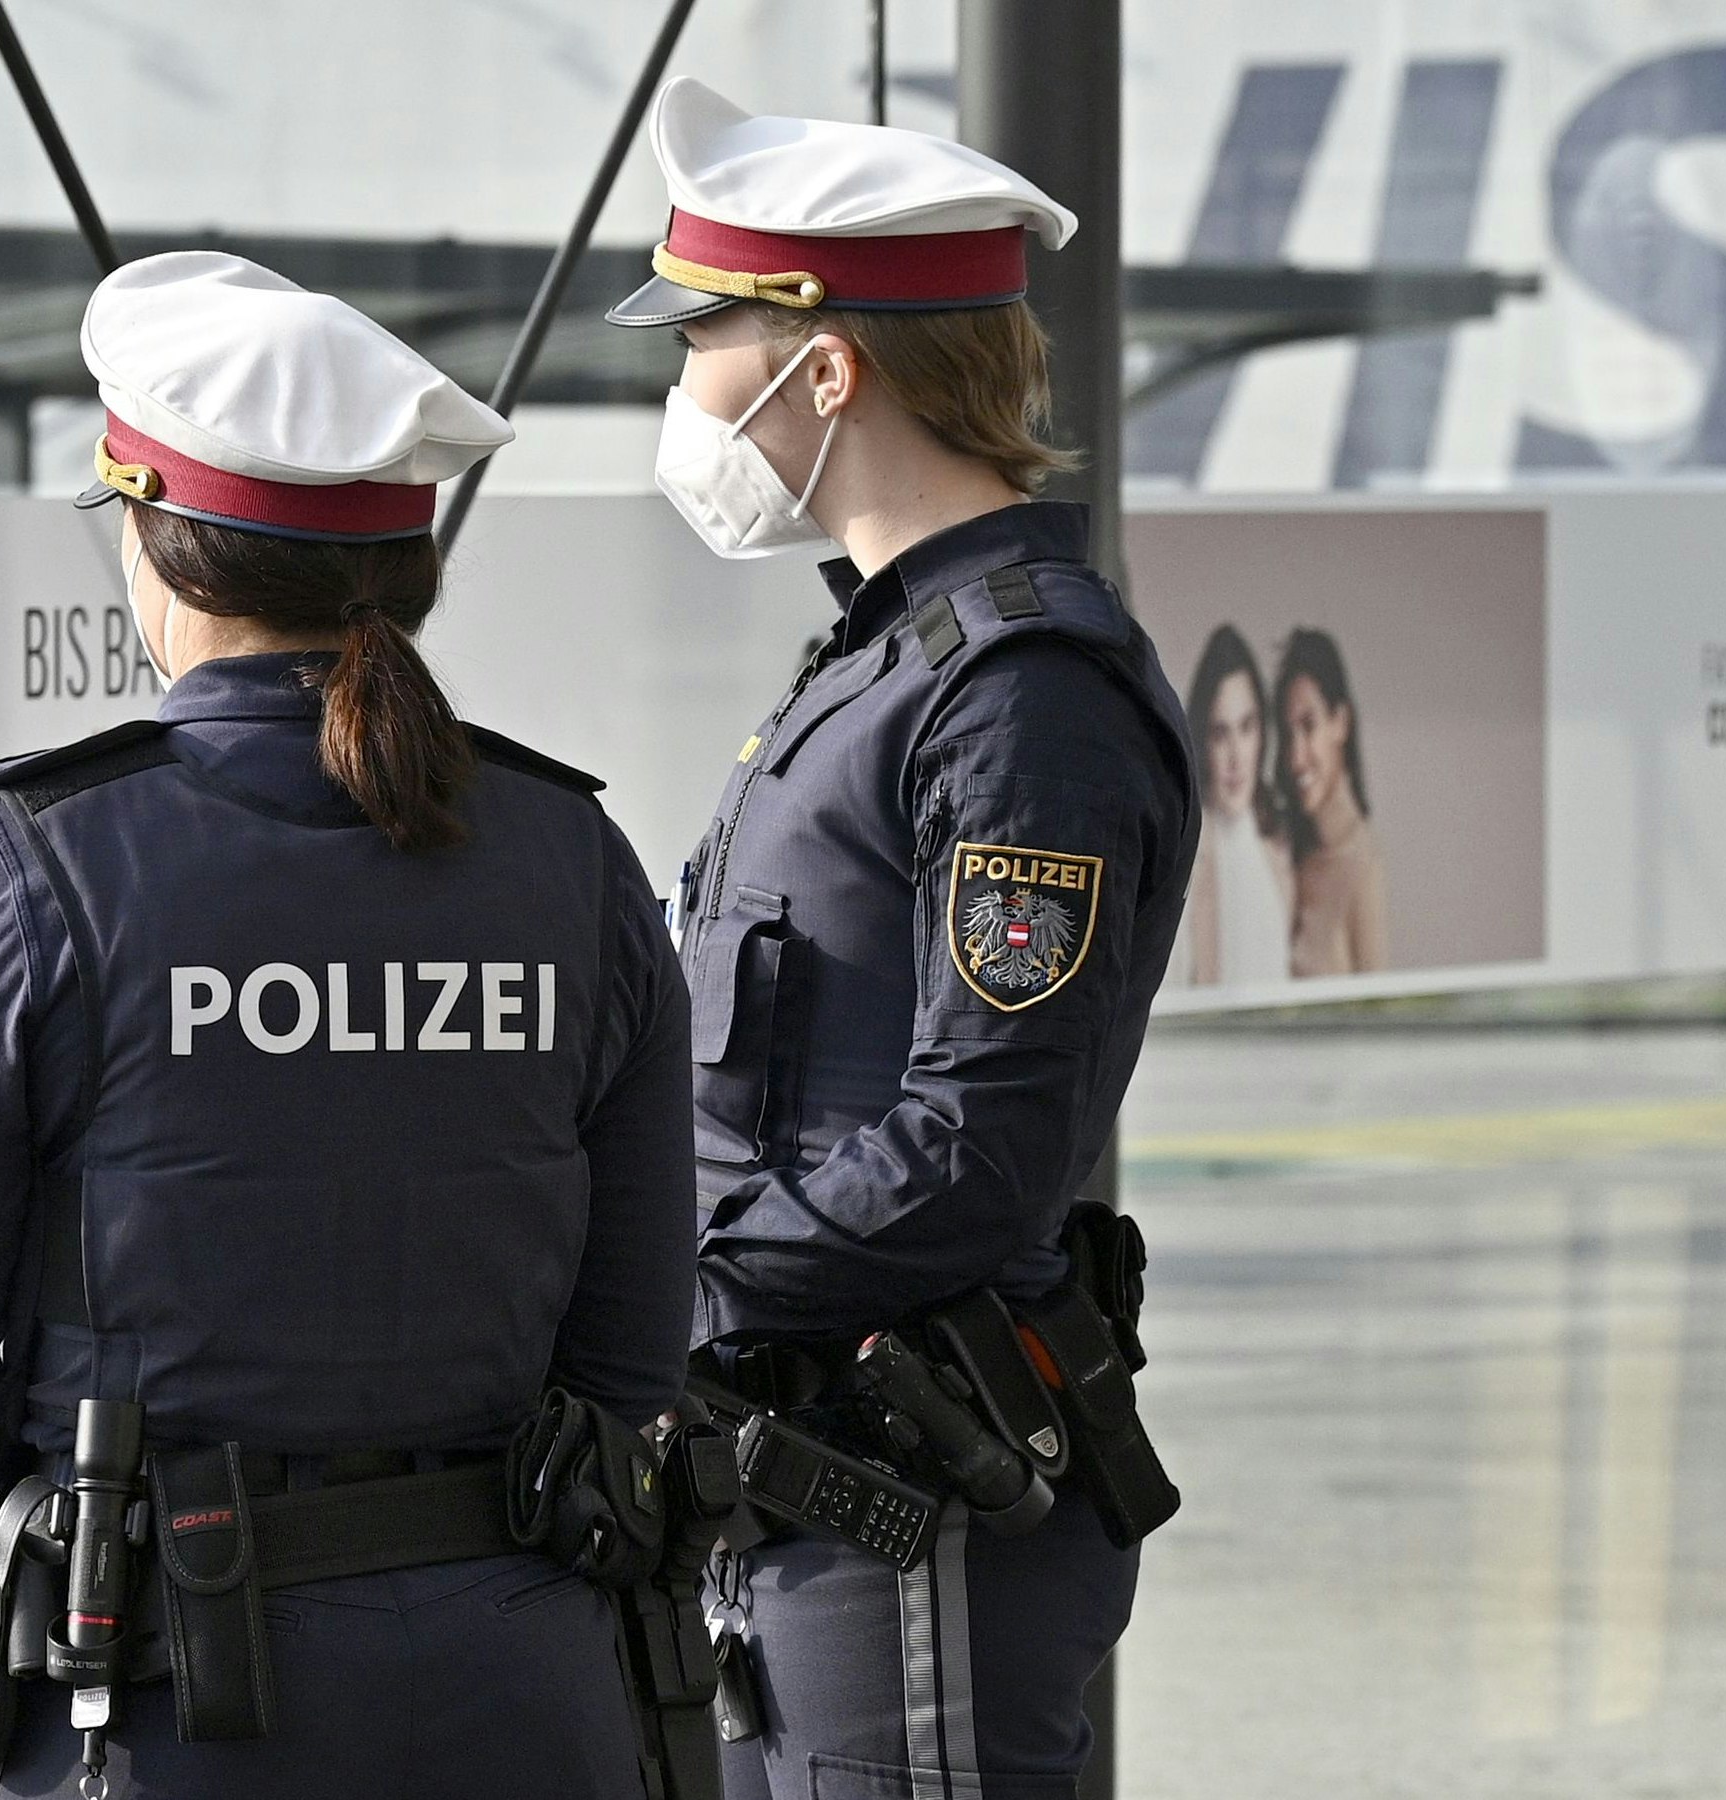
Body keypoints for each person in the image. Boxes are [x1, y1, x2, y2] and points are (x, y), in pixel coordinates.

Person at [0, 251, 694, 1800]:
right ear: (408, 566)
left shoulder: (39, 857)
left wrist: (42, 1522)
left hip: (171, 1683)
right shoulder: (573, 854)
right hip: (524, 1680)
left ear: (156, 544)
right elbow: (635, 1340)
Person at [602, 79, 1197, 1799]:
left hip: (907, 1511)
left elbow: (980, 1146)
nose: (682, 388)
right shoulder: (890, 664)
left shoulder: (1020, 695)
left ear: (826, 368)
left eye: (701, 338)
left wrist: (676, 1293)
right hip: (801, 1497)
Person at [1179, 624, 1292, 985]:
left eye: (1246, 727)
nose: (1236, 756)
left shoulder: (1279, 841)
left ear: (1262, 731)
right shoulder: (1189, 850)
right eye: (1220, 732)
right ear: (1202, 739)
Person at [1274, 628, 1387, 976]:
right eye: (1288, 734)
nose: (1296, 758)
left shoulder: (1363, 867)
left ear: (1340, 722)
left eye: (1309, 726)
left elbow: (1377, 1003)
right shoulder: (1289, 851)